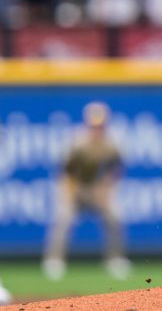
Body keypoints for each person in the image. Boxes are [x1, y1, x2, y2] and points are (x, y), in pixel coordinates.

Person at [42, 101, 131, 280]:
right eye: (94, 126)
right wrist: (70, 193)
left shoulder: (113, 143)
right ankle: (54, 261)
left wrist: (106, 189)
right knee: (64, 218)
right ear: (88, 124)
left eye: (100, 126)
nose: (97, 129)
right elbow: (65, 171)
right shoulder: (78, 142)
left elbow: (117, 168)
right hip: (75, 185)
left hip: (97, 187)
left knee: (115, 216)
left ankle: (115, 260)